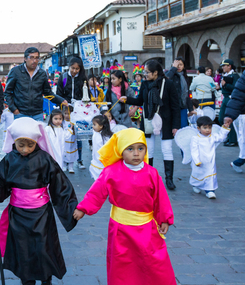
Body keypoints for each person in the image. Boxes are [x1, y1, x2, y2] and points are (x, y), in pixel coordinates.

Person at [73, 128, 176, 285]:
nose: (136, 154)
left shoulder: (152, 173)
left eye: (140, 148)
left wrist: (164, 219)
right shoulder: (111, 172)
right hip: (121, 229)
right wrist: (83, 208)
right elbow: (96, 193)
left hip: (147, 228)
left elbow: (160, 198)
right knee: (123, 264)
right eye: (130, 149)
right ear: (121, 151)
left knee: (152, 262)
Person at [0, 117, 78, 285]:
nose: (25, 149)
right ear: (14, 142)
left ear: (37, 141)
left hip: (42, 214)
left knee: (44, 249)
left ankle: (46, 279)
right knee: (23, 250)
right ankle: (26, 280)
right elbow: (3, 185)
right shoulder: (9, 159)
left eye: (30, 145)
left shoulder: (45, 159)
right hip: (18, 215)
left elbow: (60, 185)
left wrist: (72, 209)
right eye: (21, 145)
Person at [120, 60, 181, 190]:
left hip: (166, 122)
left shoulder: (168, 84)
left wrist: (176, 125)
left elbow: (175, 106)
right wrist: (127, 100)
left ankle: (169, 179)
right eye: (145, 72)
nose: (145, 74)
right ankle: (149, 178)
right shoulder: (145, 84)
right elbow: (140, 101)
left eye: (147, 72)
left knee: (167, 150)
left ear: (155, 73)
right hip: (148, 121)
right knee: (148, 150)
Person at [5, 47, 67, 122]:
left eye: (37, 58)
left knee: (38, 134)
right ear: (25, 58)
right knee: (22, 134)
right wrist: (14, 109)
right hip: (20, 113)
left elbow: (47, 93)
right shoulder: (16, 71)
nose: (34, 61)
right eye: (31, 58)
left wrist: (61, 100)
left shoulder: (42, 73)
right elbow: (7, 92)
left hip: (37, 114)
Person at [56, 57, 88, 169]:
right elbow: (58, 93)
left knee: (77, 135)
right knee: (66, 134)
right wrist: (63, 104)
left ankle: (79, 160)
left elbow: (86, 93)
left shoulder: (83, 78)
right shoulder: (63, 77)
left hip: (78, 109)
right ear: (69, 67)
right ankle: (65, 160)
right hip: (66, 109)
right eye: (73, 68)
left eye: (77, 69)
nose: (74, 71)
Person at [190, 116, 230, 199]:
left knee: (210, 175)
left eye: (209, 128)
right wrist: (196, 160)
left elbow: (221, 138)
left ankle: (210, 191)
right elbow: (194, 150)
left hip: (210, 161)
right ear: (198, 128)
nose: (208, 130)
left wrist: (224, 129)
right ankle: (196, 185)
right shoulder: (195, 139)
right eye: (205, 128)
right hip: (200, 162)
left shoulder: (212, 137)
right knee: (199, 175)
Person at [217, 59, 240, 146]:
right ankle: (229, 136)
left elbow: (235, 87)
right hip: (225, 98)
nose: (223, 67)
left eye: (224, 66)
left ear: (229, 66)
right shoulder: (225, 75)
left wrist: (225, 85)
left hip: (231, 98)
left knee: (230, 119)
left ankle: (233, 139)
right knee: (221, 118)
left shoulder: (235, 76)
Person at [166, 57, 193, 128]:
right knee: (173, 127)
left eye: (181, 64)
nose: (178, 66)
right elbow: (166, 79)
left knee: (184, 126)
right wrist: (173, 69)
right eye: (176, 64)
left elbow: (187, 93)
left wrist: (190, 109)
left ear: (184, 66)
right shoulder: (170, 74)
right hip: (172, 106)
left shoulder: (185, 77)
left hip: (182, 105)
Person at [89, 114, 113, 180]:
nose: (93, 126)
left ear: (101, 126)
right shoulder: (95, 133)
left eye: (94, 124)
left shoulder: (106, 137)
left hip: (102, 161)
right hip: (95, 159)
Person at [63, 106, 77, 173]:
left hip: (72, 140)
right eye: (65, 114)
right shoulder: (62, 121)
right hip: (65, 140)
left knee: (72, 153)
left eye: (68, 114)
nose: (67, 115)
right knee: (65, 152)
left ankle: (71, 166)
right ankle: (64, 165)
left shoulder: (73, 121)